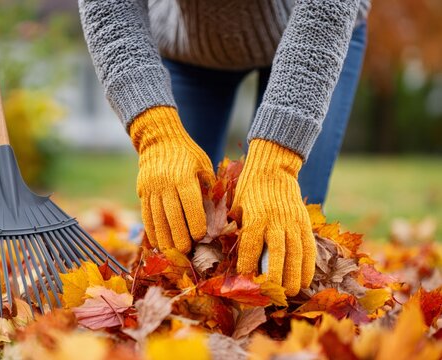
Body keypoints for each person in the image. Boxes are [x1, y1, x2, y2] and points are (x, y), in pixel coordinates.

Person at [78, 0, 370, 296]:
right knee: (182, 236)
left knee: (287, 238)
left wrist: (278, 161)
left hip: (314, 31)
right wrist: (155, 132)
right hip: (188, 44)